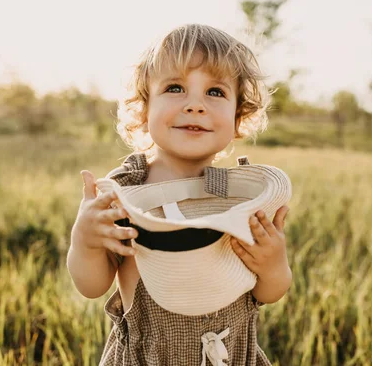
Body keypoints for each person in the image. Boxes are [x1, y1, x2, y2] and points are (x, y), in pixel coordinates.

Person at [67, 24, 292, 365]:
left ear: (237, 118)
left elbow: (266, 293)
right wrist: (85, 241)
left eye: (215, 92)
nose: (195, 105)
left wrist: (274, 266)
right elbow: (92, 285)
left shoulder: (238, 193)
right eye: (175, 88)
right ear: (144, 108)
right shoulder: (128, 190)